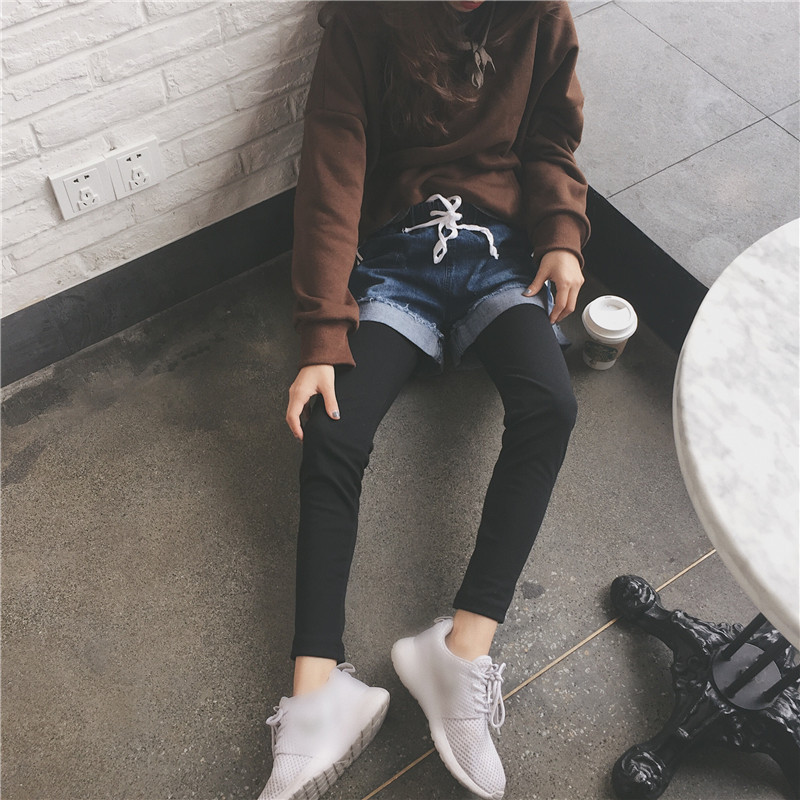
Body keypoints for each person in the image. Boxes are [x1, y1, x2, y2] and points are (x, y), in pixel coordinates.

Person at [258, 2, 589, 798]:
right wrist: (322, 335)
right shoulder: (364, 22)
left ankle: (458, 652)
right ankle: (316, 694)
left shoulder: (541, 15)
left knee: (552, 405)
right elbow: (332, 172)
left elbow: (551, 138)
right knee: (333, 429)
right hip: (393, 261)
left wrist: (561, 233)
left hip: (498, 253)